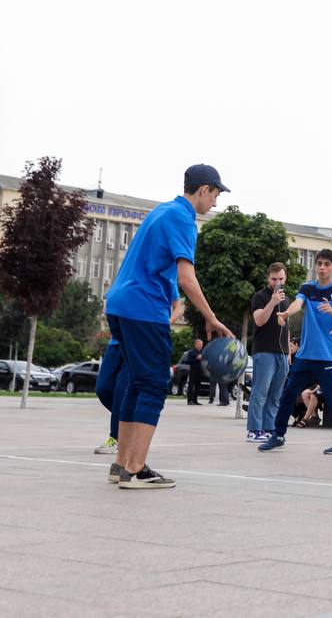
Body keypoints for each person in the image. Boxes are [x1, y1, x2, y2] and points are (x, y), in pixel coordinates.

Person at [106, 164, 233, 489]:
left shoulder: (161, 211)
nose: (215, 203)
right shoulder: (183, 219)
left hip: (120, 303)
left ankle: (121, 464)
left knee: (137, 382)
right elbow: (185, 275)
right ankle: (135, 470)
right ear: (204, 189)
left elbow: (150, 265)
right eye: (216, 195)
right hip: (142, 308)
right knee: (153, 384)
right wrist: (210, 316)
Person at [258, 249, 332, 455]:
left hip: (327, 356)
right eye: (319, 263)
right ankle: (278, 435)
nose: (321, 267)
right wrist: (285, 312)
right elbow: (297, 304)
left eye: (327, 264)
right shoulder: (308, 288)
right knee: (288, 394)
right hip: (305, 355)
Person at [245, 263, 290, 442]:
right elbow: (259, 320)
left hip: (282, 353)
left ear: (285, 278)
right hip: (264, 351)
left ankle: (269, 428)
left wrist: (288, 352)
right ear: (268, 278)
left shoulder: (286, 299)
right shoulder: (260, 296)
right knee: (260, 392)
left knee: (276, 394)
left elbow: (286, 328)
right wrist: (272, 302)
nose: (277, 282)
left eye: (280, 278)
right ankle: (254, 430)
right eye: (274, 279)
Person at [93, 333, 130, 455]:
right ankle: (132, 419)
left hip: (136, 343)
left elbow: (178, 312)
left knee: (121, 390)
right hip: (115, 342)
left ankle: (116, 438)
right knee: (102, 388)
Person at [181, 338, 205, 405]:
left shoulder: (202, 352)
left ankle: (195, 400)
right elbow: (188, 361)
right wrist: (196, 358)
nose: (200, 346)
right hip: (193, 371)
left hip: (200, 371)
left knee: (198, 386)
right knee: (191, 386)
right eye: (199, 344)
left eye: (201, 344)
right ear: (195, 345)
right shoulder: (191, 352)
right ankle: (189, 400)